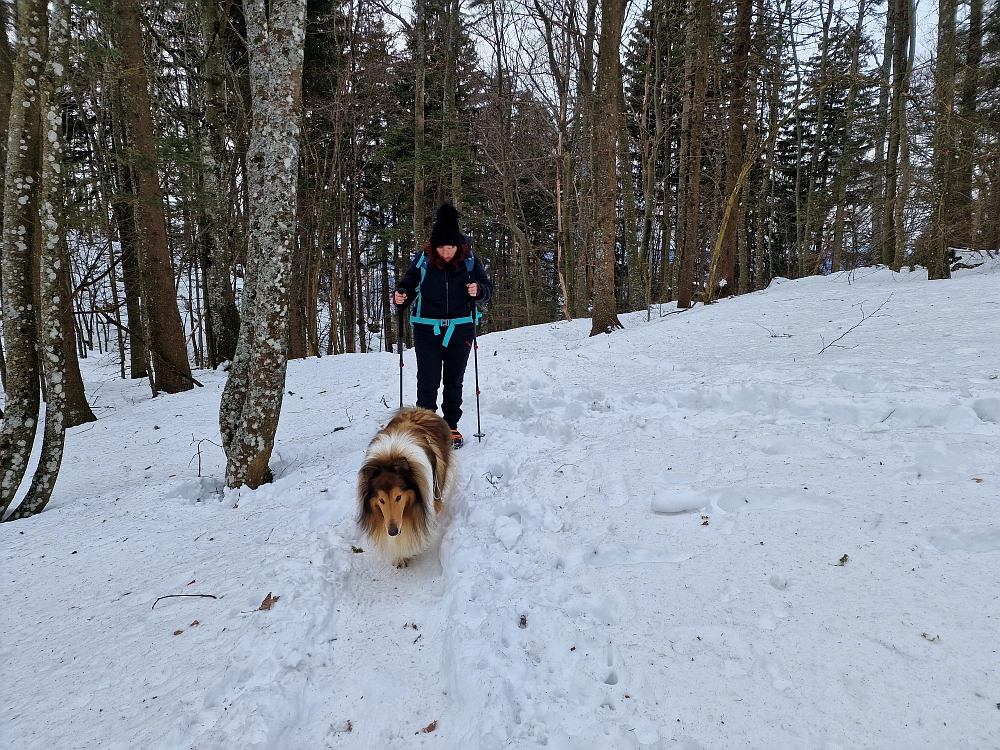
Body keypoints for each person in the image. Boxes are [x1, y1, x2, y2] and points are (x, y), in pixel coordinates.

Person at [393, 203, 493, 449]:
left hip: (461, 328)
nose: (445, 252)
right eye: (441, 246)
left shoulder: (469, 260)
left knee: (453, 380)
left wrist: (478, 291)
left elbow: (488, 290)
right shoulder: (424, 260)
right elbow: (408, 284)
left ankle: (450, 427)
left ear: (458, 245)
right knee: (427, 380)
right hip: (427, 329)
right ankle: (426, 427)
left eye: (450, 246)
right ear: (434, 246)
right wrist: (401, 295)